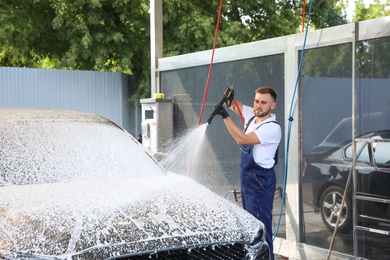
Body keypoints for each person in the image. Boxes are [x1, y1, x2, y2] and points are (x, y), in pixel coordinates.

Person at [214, 86, 281, 260]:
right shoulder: (253, 115)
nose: (258, 106)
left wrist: (224, 115)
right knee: (250, 226)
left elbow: (242, 139)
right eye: (256, 101)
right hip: (248, 179)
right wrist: (229, 100)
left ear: (272, 105)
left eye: (263, 103)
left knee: (260, 229)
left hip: (260, 182)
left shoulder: (272, 128)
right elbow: (237, 107)